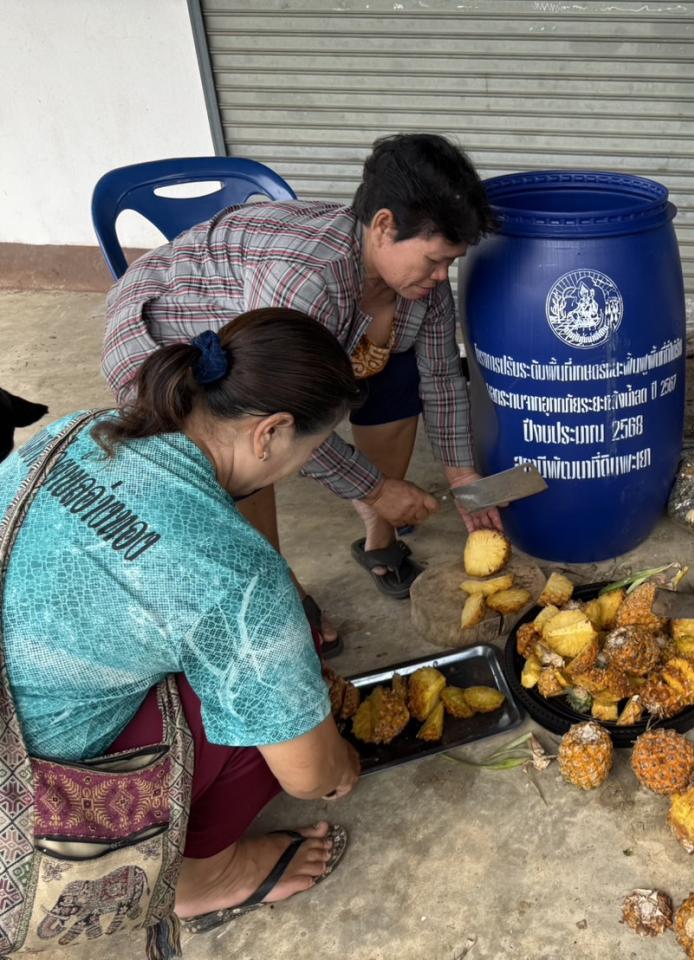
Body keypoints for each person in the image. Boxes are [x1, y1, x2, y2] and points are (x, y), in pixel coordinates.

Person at [0, 310, 363, 929]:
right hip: (27, 804)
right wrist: (339, 765)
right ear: (271, 433)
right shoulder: (236, 575)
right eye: (311, 450)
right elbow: (308, 776)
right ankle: (203, 876)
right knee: (281, 676)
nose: (302, 467)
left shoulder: (81, 429)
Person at [102, 133, 501, 653]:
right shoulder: (305, 281)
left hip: (296, 344)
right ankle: (277, 585)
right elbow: (277, 411)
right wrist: (374, 487)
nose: (441, 275)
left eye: (451, 261)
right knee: (243, 453)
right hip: (173, 333)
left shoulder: (420, 287)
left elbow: (444, 380)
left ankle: (379, 534)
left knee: (401, 373)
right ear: (384, 226)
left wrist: (462, 475)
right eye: (432, 260)